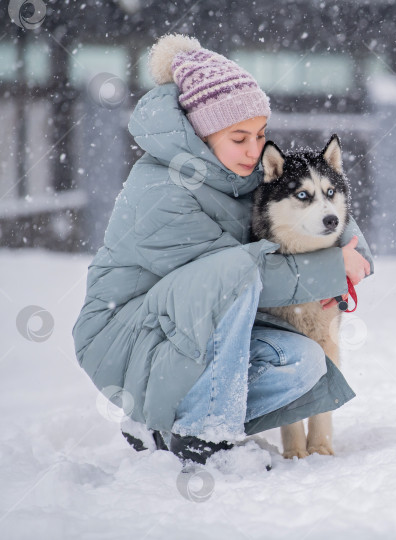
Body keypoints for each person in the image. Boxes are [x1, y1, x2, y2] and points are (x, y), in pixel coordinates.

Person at [71, 34, 373, 467]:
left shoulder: (240, 168)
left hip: (192, 330)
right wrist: (328, 269)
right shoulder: (163, 189)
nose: (254, 150)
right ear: (202, 133)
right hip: (133, 334)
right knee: (234, 271)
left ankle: (173, 424)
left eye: (260, 134)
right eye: (239, 137)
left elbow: (324, 217)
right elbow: (237, 279)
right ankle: (202, 433)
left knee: (304, 364)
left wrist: (352, 260)